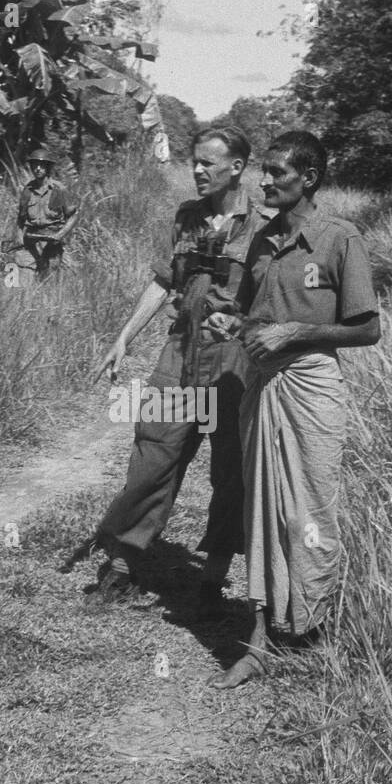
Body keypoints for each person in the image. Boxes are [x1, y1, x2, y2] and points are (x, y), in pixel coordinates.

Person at [207, 130, 380, 687]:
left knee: (311, 512)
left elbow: (368, 329)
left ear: (308, 179)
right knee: (262, 507)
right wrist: (232, 323)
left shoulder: (339, 239)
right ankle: (257, 642)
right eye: (263, 171)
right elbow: (249, 313)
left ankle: (313, 628)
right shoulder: (262, 242)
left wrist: (297, 332)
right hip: (262, 385)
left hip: (312, 387)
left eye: (277, 173)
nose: (264, 182)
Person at [92, 127, 268, 613]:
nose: (198, 170)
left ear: (237, 167)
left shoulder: (265, 226)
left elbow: (275, 300)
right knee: (153, 452)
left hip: (233, 359)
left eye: (209, 163)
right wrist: (123, 337)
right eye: (195, 162)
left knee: (230, 467)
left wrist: (242, 321)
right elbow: (164, 281)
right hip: (180, 349)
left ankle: (213, 577)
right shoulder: (187, 217)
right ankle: (125, 564)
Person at [8, 147, 78, 279]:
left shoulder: (58, 190)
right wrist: (18, 238)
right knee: (20, 285)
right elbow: (20, 219)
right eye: (35, 165)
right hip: (31, 243)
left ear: (48, 167)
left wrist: (60, 235)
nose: (38, 169)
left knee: (48, 283)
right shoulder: (28, 190)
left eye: (41, 165)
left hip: (51, 244)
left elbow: (73, 216)